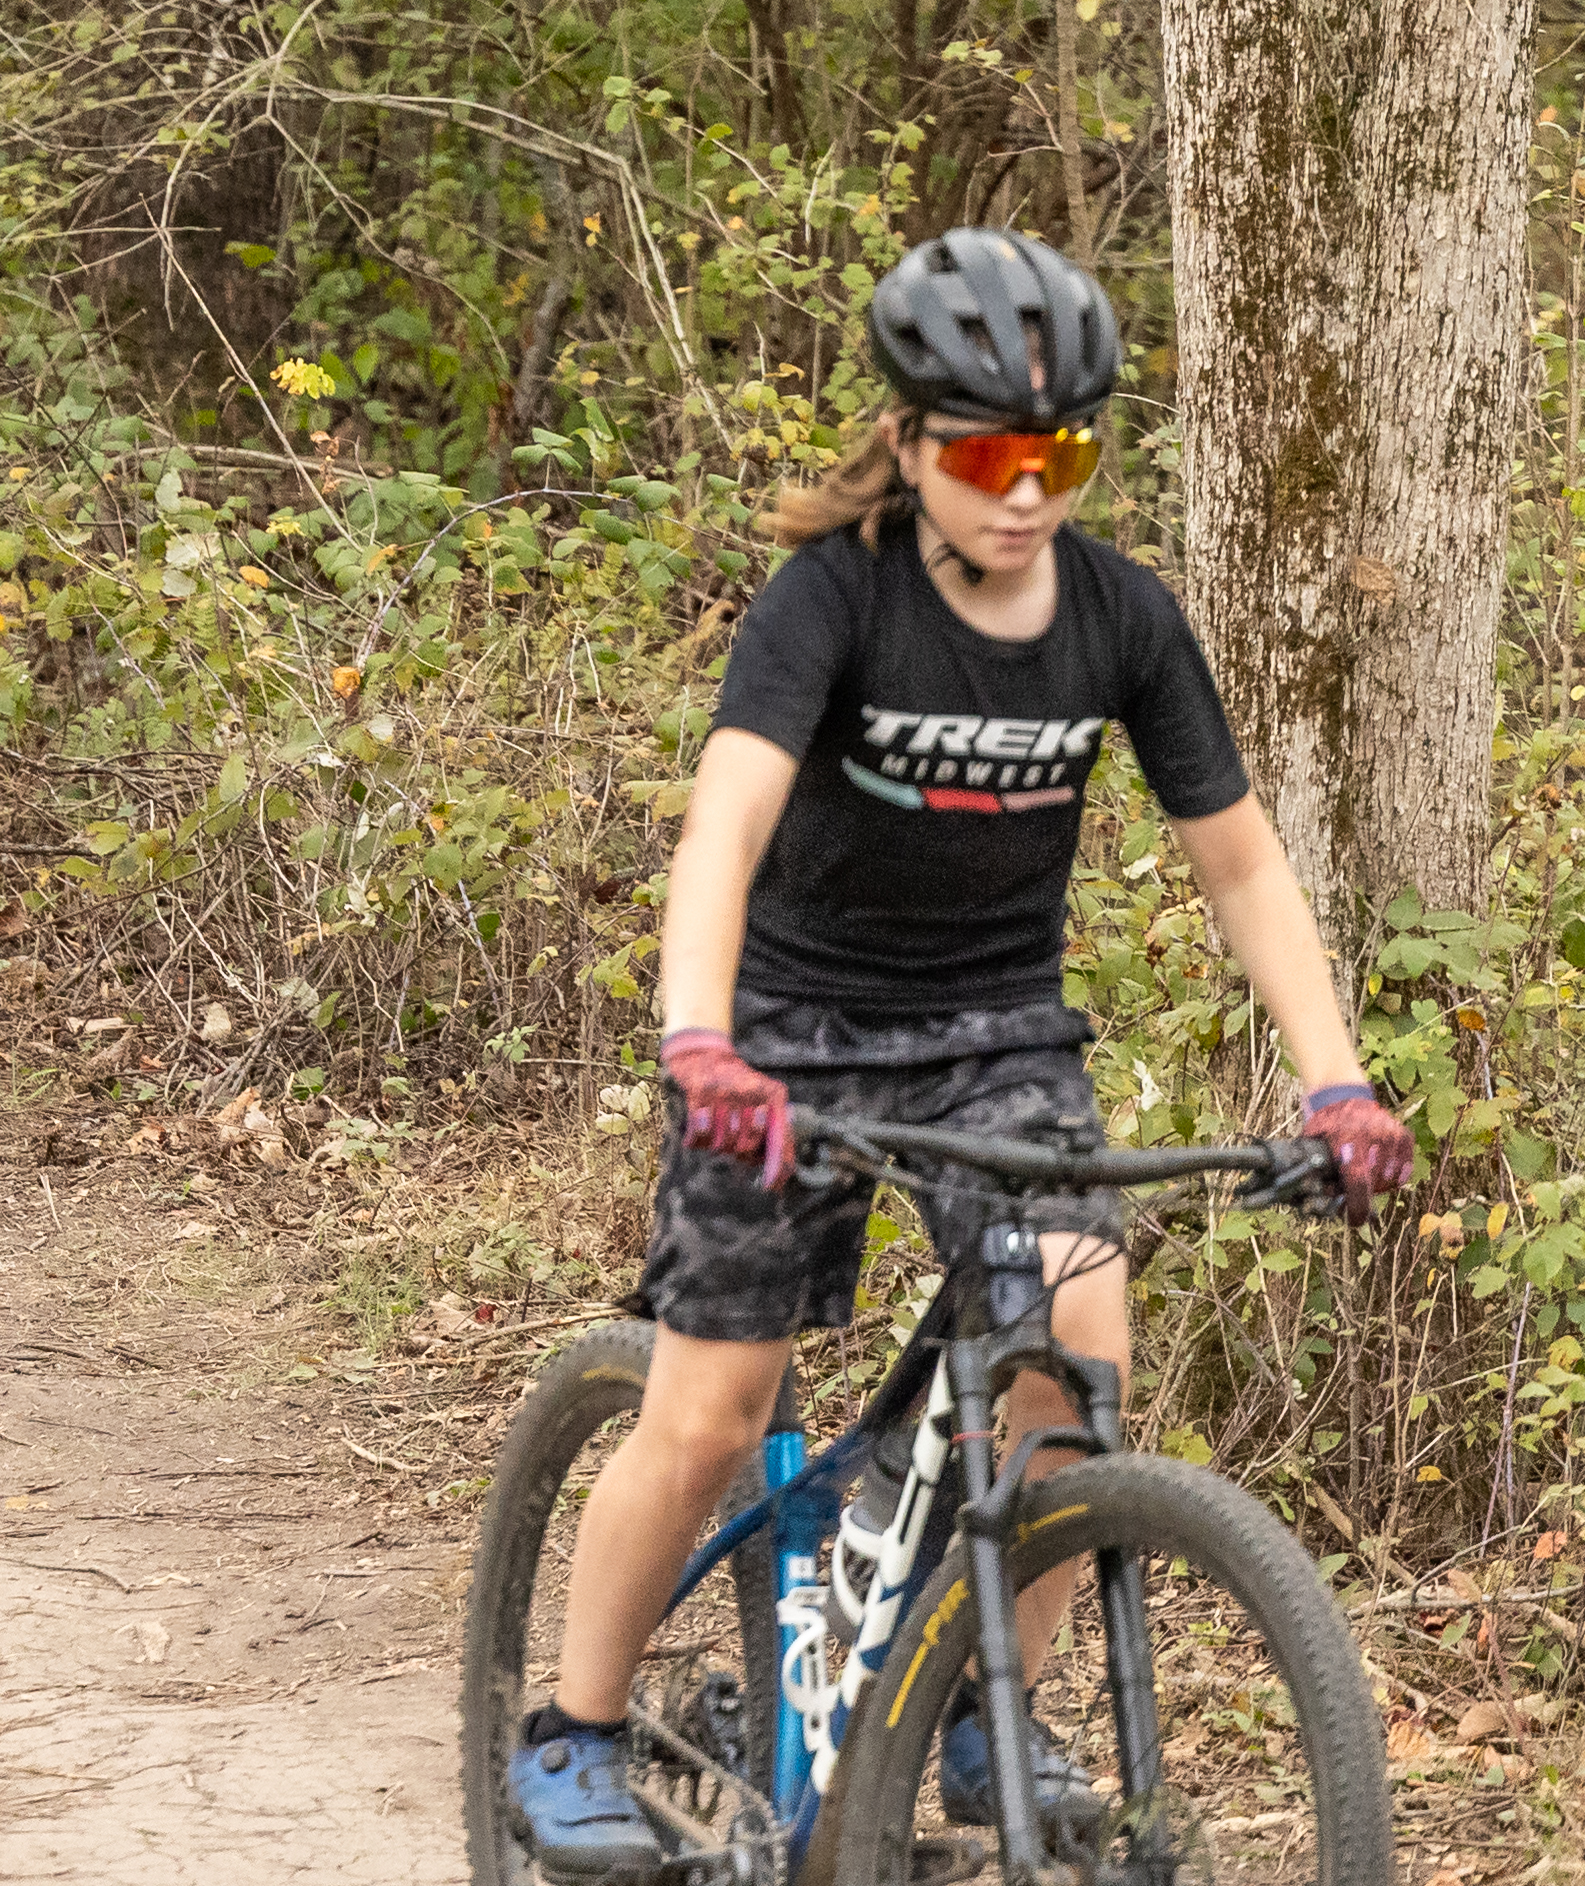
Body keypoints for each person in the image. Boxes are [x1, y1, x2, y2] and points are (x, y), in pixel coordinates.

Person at [509, 227, 1415, 1879]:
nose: (1026, 492)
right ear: (916, 445)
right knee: (712, 1408)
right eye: (991, 455)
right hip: (785, 1039)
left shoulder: (1123, 617)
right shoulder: (833, 598)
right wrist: (698, 1038)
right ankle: (570, 1723)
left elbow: (1242, 862)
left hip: (996, 1031)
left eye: (1060, 452)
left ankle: (997, 1705)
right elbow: (724, 826)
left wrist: (1335, 1076)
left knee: (1074, 1344)